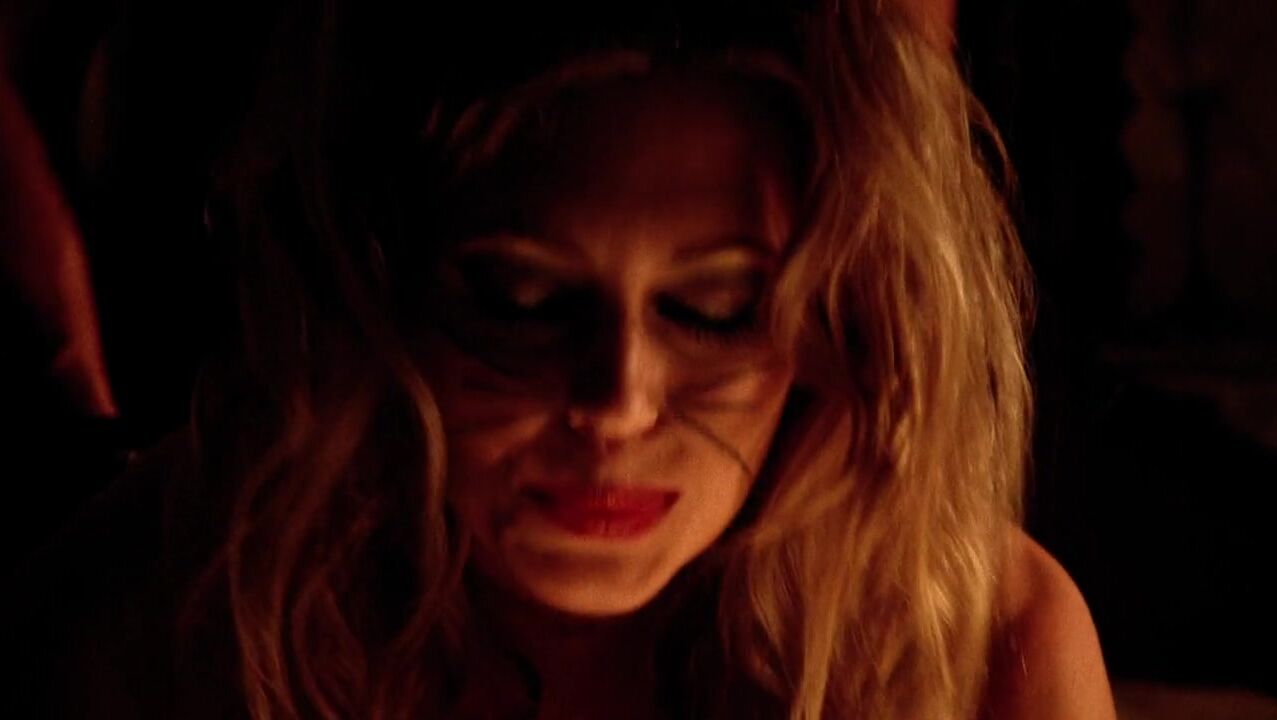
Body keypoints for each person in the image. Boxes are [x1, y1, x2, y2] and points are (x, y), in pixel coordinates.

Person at [12, 1, 1117, 718]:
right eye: (522, 302)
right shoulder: (180, 602)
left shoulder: (974, 644)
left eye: (714, 310)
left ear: (839, 319)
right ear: (368, 281)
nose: (615, 400)